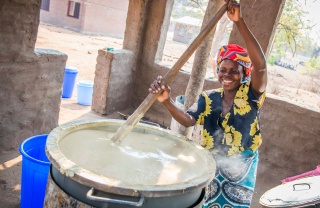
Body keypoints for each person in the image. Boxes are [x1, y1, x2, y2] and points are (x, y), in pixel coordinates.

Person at [149, 0, 267, 207]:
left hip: (243, 166)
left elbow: (262, 66)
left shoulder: (252, 95)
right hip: (211, 163)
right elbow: (187, 121)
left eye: (233, 71)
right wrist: (166, 101)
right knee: (208, 204)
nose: (226, 75)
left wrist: (239, 22)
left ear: (244, 74)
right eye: (222, 70)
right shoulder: (209, 97)